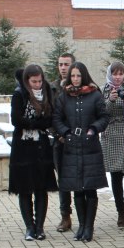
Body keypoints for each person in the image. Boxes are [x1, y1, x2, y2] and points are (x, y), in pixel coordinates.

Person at [53, 61, 109, 242]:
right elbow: (57, 118)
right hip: (72, 147)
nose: (75, 79)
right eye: (73, 76)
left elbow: (104, 117)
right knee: (77, 188)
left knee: (90, 188)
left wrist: (93, 129)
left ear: (83, 76)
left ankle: (89, 227)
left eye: (78, 75)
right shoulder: (64, 96)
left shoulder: (94, 94)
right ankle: (82, 225)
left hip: (90, 146)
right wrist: (66, 133)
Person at [9, 64, 57, 241]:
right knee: (25, 189)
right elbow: (16, 120)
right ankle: (29, 227)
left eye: (39, 81)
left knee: (41, 188)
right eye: (34, 81)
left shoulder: (47, 93)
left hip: (41, 147)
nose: (37, 84)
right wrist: (36, 123)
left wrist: (33, 123)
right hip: (22, 147)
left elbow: (49, 119)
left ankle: (40, 227)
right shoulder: (19, 94)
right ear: (27, 81)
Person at [102, 61, 124, 227]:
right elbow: (101, 112)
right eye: (115, 74)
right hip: (111, 134)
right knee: (116, 175)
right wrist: (110, 100)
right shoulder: (104, 90)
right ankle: (120, 211)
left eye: (121, 74)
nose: (118, 77)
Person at [53, 52, 75, 232]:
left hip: (78, 140)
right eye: (60, 64)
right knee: (63, 181)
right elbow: (49, 114)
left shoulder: (81, 86)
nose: (63, 68)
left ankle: (84, 216)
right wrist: (59, 134)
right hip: (59, 141)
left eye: (66, 64)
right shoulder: (52, 88)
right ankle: (65, 216)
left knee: (80, 178)